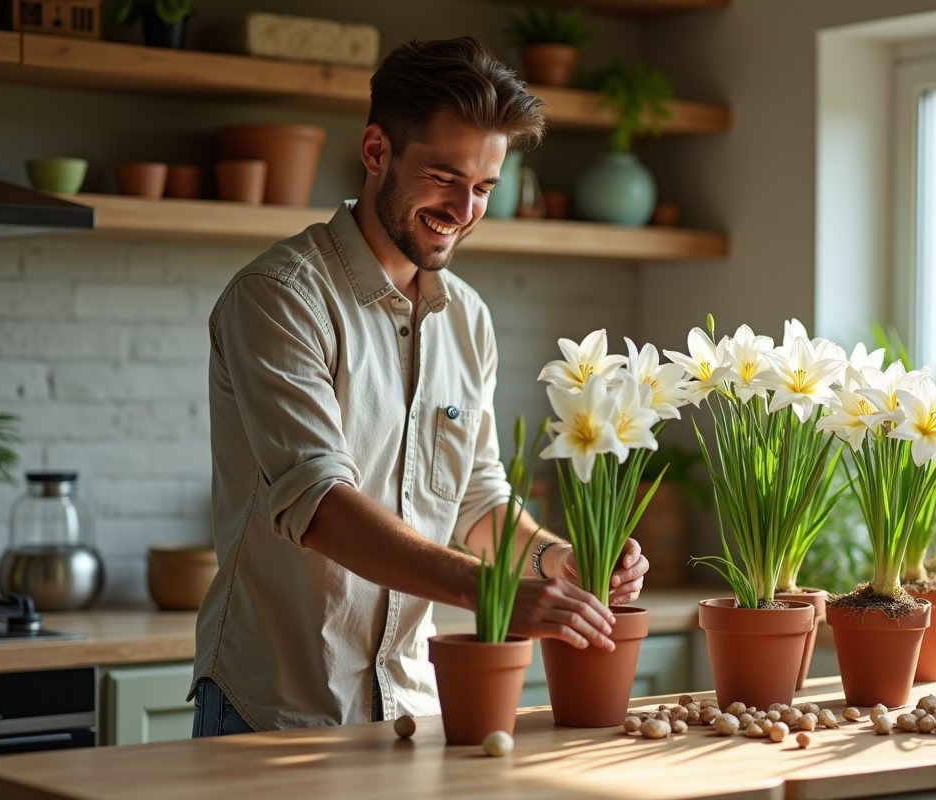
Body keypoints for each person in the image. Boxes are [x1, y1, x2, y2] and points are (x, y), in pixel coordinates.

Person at [190, 35, 650, 736]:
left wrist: (557, 561)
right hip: (277, 708)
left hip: (413, 707)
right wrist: (492, 592)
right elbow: (319, 504)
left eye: (484, 188)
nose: (465, 210)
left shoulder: (467, 318)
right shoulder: (281, 297)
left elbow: (476, 497)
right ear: (377, 152)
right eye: (444, 177)